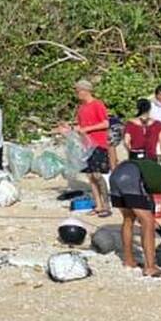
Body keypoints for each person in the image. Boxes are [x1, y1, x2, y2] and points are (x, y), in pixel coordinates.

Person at [108, 158, 161, 278]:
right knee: (148, 222)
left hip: (116, 175)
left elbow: (143, 214)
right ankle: (150, 268)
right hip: (131, 175)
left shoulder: (153, 181)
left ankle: (129, 261)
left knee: (129, 219)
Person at [69, 80, 112, 218]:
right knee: (90, 176)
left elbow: (105, 123)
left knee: (98, 175)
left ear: (84, 90)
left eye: (77, 91)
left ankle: (106, 205)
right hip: (86, 146)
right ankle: (97, 204)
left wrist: (88, 129)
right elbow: (80, 126)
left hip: (99, 144)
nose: (77, 94)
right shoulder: (81, 108)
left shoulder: (97, 104)